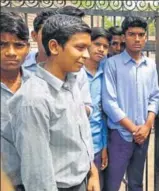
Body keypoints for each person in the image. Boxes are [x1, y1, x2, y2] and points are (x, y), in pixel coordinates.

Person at [6, 14, 99, 191]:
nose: (87, 55)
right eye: (80, 48)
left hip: (81, 181)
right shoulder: (33, 100)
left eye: (87, 48)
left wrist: (92, 172)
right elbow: (38, 176)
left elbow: (81, 137)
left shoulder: (71, 83)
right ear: (55, 47)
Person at [102, 16, 159, 191]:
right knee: (113, 184)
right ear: (124, 36)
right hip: (121, 135)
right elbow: (109, 102)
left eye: (141, 34)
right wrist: (134, 129)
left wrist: (147, 126)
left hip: (143, 134)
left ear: (145, 37)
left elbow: (155, 97)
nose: (137, 39)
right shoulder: (112, 64)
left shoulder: (150, 65)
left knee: (136, 183)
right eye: (132, 34)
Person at [0, 11, 31, 191]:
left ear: (27, 48)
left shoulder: (39, 86)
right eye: (2, 44)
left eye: (18, 45)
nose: (11, 52)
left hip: (34, 181)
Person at [80, 27, 112, 190]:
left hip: (97, 146)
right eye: (97, 44)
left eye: (105, 46)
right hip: (76, 148)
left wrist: (104, 146)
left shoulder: (105, 73)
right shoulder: (75, 73)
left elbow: (102, 114)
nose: (101, 49)